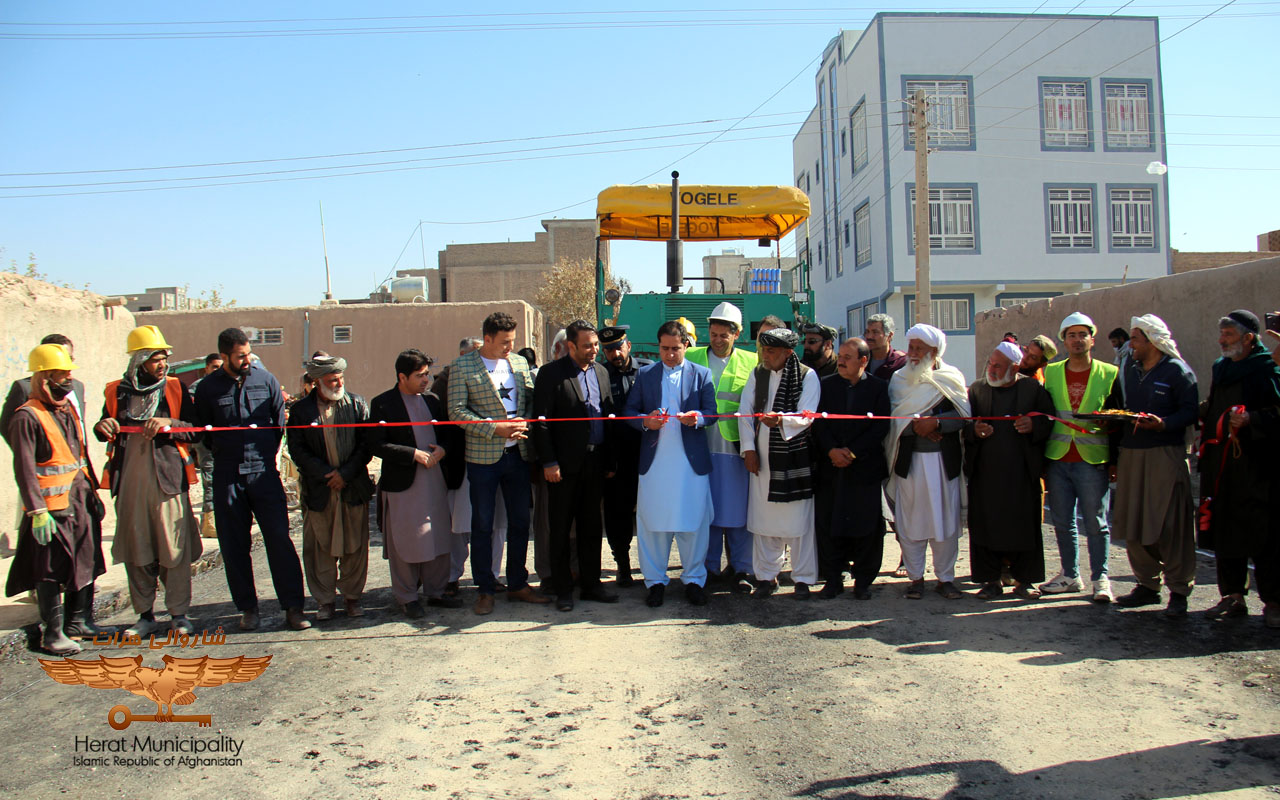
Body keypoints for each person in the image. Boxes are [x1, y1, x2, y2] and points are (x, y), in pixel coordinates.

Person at [193, 327, 310, 631]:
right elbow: (204, 434)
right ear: (224, 356)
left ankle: (294, 607)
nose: (246, 360)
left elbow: (277, 423)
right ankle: (248, 609)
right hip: (227, 474)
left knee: (279, 540)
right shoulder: (207, 388)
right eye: (239, 355)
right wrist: (227, 454)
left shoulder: (266, 380)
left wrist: (264, 457)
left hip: (263, 473)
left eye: (248, 354)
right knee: (234, 546)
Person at [94, 325, 203, 637]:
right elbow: (104, 426)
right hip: (129, 482)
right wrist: (105, 426)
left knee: (174, 550)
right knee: (137, 550)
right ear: (139, 360)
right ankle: (144, 615)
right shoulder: (116, 391)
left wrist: (170, 424)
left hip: (168, 482)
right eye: (156, 359)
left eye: (164, 358)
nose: (162, 364)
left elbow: (195, 431)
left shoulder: (175, 389)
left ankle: (179, 614)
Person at [5, 343, 107, 654]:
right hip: (50, 508)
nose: (67, 381)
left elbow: (80, 454)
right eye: (60, 376)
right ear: (43, 378)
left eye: (68, 375)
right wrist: (37, 510)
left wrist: (92, 493)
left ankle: (78, 621)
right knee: (49, 569)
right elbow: (24, 468)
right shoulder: (27, 417)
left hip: (79, 499)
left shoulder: (68, 410)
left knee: (85, 559)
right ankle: (53, 633)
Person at [447, 312, 550, 615]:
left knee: (520, 522)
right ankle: (485, 589)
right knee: (482, 524)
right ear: (487, 338)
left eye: (513, 342)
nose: (510, 347)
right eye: (504, 342)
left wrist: (523, 423)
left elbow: (530, 401)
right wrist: (495, 428)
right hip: (482, 459)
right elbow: (455, 411)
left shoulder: (518, 364)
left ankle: (518, 583)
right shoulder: (462, 366)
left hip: (517, 456)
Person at [1108, 315, 1199, 617]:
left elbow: (1190, 413)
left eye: (1135, 338)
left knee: (1170, 524)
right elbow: (1117, 404)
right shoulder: (1129, 372)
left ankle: (1179, 590)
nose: (1129, 344)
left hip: (1165, 454)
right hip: (1132, 454)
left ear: (1152, 341)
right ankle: (1147, 585)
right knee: (1133, 521)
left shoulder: (1177, 372)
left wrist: (1164, 424)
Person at [625, 320, 717, 608]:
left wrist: (698, 418)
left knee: (693, 522)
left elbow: (712, 412)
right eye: (664, 349)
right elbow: (629, 410)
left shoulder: (702, 374)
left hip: (690, 463)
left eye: (675, 349)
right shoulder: (646, 374)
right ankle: (655, 582)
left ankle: (693, 580)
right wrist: (645, 422)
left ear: (686, 345)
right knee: (653, 523)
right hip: (656, 463)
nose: (669, 354)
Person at [1198, 310, 1280, 628]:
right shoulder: (1222, 369)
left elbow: (1277, 412)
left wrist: (1252, 420)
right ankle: (1232, 595)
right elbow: (1214, 406)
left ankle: (1273, 600)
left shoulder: (1267, 369)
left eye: (1229, 335)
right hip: (1222, 466)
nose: (1222, 340)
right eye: (1221, 334)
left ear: (1248, 338)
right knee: (1225, 529)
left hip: (1259, 466)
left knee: (1265, 533)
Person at [368, 349, 465, 617]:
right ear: (402, 376)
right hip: (403, 483)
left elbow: (450, 433)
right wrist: (412, 454)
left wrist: (442, 450)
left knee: (438, 536)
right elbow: (377, 444)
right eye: (420, 375)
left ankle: (436, 591)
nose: (426, 380)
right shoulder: (383, 404)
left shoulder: (433, 401)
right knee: (406, 541)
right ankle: (407, 596)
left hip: (435, 479)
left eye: (427, 374)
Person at [532, 319, 620, 611]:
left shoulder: (601, 372)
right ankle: (563, 590)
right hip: (562, 468)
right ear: (570, 346)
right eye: (587, 346)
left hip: (595, 464)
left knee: (591, 526)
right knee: (559, 529)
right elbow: (541, 424)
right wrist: (549, 462)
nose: (594, 350)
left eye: (596, 345)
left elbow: (607, 416)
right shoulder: (551, 375)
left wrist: (609, 461)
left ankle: (591, 584)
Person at [1040, 312, 1123, 602]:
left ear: (1092, 339)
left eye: (1082, 334)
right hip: (1059, 457)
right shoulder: (1050, 372)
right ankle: (1069, 575)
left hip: (1093, 459)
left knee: (1096, 522)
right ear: (1064, 340)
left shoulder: (1110, 373)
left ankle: (1101, 578)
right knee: (1062, 521)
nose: (1077, 340)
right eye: (1071, 335)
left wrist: (1115, 461)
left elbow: (1119, 419)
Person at [286, 355, 375, 621]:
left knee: (355, 546)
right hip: (320, 490)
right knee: (319, 547)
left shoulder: (357, 404)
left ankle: (352, 598)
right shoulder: (302, 411)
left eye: (340, 378)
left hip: (351, 486)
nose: (338, 383)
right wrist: (327, 474)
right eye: (332, 380)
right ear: (317, 382)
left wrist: (344, 474)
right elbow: (297, 450)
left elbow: (365, 445)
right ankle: (324, 601)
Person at [964, 342, 1055, 600]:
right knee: (985, 526)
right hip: (986, 475)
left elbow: (1049, 420)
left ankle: (1025, 580)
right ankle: (991, 580)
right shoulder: (979, 389)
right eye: (990, 364)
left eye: (997, 366)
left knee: (1024, 526)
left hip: (1021, 475)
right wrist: (975, 430)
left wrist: (1033, 424)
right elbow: (964, 425)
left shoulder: (1032, 388)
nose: (991, 370)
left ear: (1015, 368)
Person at [886, 324, 970, 600]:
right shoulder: (899, 379)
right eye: (911, 347)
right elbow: (894, 418)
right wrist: (917, 426)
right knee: (911, 521)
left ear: (934, 352)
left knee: (944, 521)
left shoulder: (950, 377)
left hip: (944, 463)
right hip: (910, 463)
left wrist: (937, 423)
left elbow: (962, 415)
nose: (913, 353)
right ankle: (915, 578)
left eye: (919, 349)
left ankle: (946, 578)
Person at [738, 327, 821, 599]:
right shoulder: (757, 374)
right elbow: (745, 413)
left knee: (800, 524)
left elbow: (807, 415)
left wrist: (782, 420)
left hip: (794, 457)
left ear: (788, 353)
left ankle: (803, 579)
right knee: (764, 521)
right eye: (763, 350)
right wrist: (749, 449)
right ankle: (765, 577)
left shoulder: (808, 376)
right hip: (762, 458)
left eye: (771, 351)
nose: (765, 355)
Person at [685, 302, 757, 592]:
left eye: (723, 335)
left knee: (739, 514)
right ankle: (709, 568)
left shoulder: (751, 362)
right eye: (713, 334)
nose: (716, 340)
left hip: (735, 449)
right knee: (708, 513)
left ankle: (743, 569)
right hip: (699, 448)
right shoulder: (691, 356)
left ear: (736, 333)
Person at [812, 338, 890, 599]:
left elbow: (880, 427)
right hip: (831, 467)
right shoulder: (825, 386)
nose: (841, 360)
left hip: (864, 469)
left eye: (848, 356)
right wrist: (832, 451)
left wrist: (852, 452)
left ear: (863, 361)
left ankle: (863, 582)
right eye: (840, 355)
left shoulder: (879, 388)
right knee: (829, 524)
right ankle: (833, 579)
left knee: (866, 526)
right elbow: (818, 423)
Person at [434, 337, 504, 598]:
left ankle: (492, 575)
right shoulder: (445, 382)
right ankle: (452, 576)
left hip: (496, 458)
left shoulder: (499, 375)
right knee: (459, 525)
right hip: (461, 464)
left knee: (497, 522)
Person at [600, 325, 651, 586]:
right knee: (617, 514)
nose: (615, 353)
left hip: (647, 454)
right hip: (616, 457)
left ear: (628, 345)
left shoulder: (648, 369)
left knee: (651, 512)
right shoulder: (598, 375)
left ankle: (653, 564)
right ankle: (623, 564)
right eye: (608, 349)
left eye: (618, 347)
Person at [187, 353, 223, 539]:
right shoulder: (198, 387)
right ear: (207, 368)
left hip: (222, 440)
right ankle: (209, 521)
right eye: (214, 367)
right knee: (210, 478)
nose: (218, 370)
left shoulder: (224, 385)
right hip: (205, 441)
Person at [864, 314, 908, 382]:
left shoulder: (900, 362)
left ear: (889, 335)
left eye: (875, 332)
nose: (869, 336)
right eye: (867, 332)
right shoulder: (860, 361)